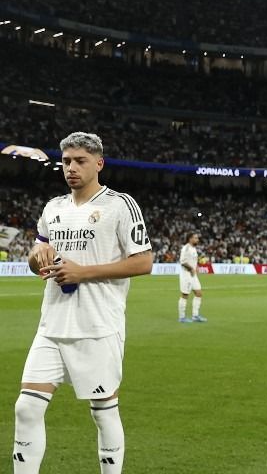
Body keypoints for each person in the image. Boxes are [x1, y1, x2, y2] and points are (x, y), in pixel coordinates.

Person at [13, 132, 153, 474]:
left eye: (80, 161)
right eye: (66, 162)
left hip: (97, 326)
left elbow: (144, 261)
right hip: (52, 325)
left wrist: (83, 273)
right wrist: (37, 256)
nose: (71, 168)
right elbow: (37, 254)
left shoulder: (119, 205)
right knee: (25, 409)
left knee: (103, 413)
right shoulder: (53, 208)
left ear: (98, 163)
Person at [178, 232, 206, 323]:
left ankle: (195, 315)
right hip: (186, 274)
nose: (197, 240)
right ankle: (182, 317)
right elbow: (182, 261)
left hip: (193, 275)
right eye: (195, 238)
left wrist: (196, 267)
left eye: (197, 238)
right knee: (185, 295)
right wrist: (191, 268)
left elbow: (193, 260)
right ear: (190, 239)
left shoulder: (194, 249)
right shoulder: (186, 248)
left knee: (199, 293)